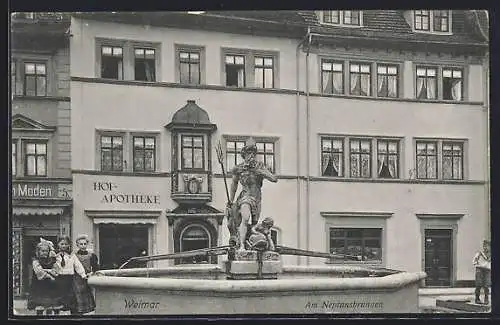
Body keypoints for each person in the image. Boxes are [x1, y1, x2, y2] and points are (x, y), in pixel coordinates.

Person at [227, 138, 278, 251]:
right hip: (245, 197)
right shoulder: (239, 168)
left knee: (254, 225)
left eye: (253, 153)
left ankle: (248, 242)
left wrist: (261, 172)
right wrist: (231, 200)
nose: (251, 156)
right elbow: (234, 185)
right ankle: (241, 247)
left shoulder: (259, 166)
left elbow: (274, 179)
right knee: (245, 218)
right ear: (244, 155)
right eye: (248, 153)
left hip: (257, 198)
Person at [27, 239, 63, 316]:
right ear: (38, 251)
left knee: (51, 306)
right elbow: (39, 272)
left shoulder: (52, 260)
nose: (45, 252)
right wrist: (49, 275)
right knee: (40, 306)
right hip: (39, 286)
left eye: (46, 251)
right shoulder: (36, 261)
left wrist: (49, 271)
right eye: (42, 251)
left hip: (51, 286)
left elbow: (56, 271)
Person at [55, 236, 88, 314]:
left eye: (66, 244)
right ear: (58, 244)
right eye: (62, 244)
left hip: (69, 279)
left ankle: (72, 313)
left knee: (71, 296)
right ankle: (58, 313)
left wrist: (83, 274)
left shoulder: (72, 255)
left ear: (69, 245)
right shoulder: (55, 255)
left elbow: (77, 265)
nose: (64, 246)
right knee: (59, 296)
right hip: (59, 278)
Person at [73, 234, 99, 315]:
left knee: (86, 294)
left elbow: (95, 267)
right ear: (77, 245)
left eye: (85, 244)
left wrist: (91, 273)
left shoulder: (91, 255)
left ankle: (87, 312)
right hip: (77, 279)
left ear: (87, 244)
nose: (83, 246)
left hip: (87, 277)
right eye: (81, 244)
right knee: (77, 294)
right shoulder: (74, 255)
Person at [473, 240, 491, 305]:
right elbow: (474, 261)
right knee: (478, 284)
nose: (485, 247)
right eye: (484, 246)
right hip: (480, 269)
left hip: (488, 270)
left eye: (487, 246)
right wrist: (477, 266)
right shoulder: (479, 253)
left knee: (486, 285)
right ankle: (477, 299)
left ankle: (486, 299)